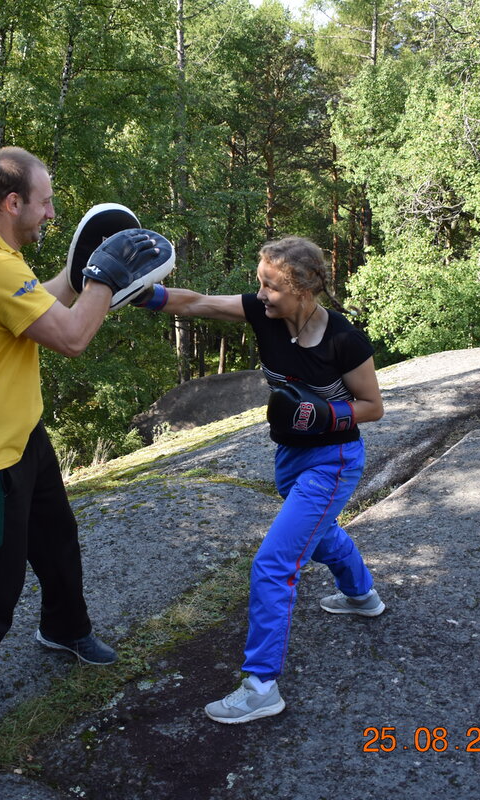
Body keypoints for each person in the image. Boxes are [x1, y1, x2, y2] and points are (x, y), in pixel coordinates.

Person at [0, 146, 171, 745]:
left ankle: (63, 628)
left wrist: (84, 275)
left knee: (56, 540)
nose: (52, 213)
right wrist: (106, 277)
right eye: (45, 201)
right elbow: (74, 335)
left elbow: (47, 301)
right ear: (12, 202)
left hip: (22, 438)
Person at [134, 236, 385, 723]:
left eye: (270, 286)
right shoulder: (262, 313)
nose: (261, 293)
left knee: (273, 562)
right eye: (260, 282)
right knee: (318, 533)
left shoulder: (343, 339)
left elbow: (373, 407)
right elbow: (199, 303)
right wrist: (141, 294)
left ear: (303, 288)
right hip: (290, 457)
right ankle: (362, 595)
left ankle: (261, 685)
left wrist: (321, 413)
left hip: (332, 460)